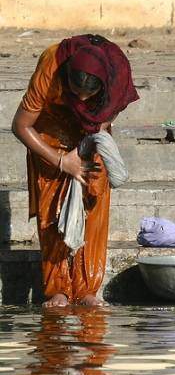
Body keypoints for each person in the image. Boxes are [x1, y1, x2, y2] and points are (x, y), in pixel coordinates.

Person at [12, 34, 139, 307]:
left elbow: (111, 112)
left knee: (94, 196)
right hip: (49, 130)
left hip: (89, 133)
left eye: (88, 95)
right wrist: (61, 161)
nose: (81, 98)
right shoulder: (52, 63)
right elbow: (21, 125)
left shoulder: (116, 71)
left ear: (101, 88)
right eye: (75, 91)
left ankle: (87, 289)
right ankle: (57, 288)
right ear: (66, 75)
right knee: (51, 207)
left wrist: (90, 140)